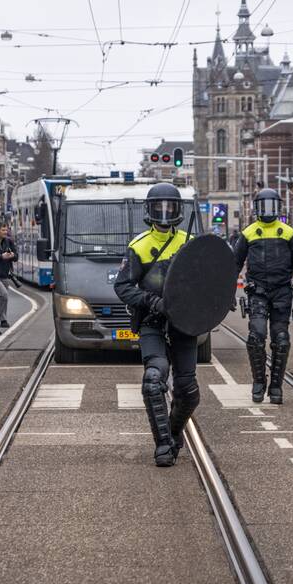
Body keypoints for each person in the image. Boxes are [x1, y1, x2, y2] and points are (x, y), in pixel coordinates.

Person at [114, 182, 199, 466]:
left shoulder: (190, 242)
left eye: (169, 207)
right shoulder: (138, 246)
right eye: (158, 207)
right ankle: (162, 445)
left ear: (178, 210)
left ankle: (173, 433)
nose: (164, 212)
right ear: (149, 210)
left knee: (188, 391)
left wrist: (216, 299)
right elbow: (123, 287)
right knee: (153, 379)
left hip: (184, 324)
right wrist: (152, 301)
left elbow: (205, 279)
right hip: (152, 321)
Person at [234, 188, 293, 404]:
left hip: (282, 291)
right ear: (256, 208)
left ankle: (276, 386)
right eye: (263, 206)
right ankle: (258, 382)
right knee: (255, 337)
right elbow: (234, 264)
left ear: (278, 207)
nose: (267, 210)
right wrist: (226, 292)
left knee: (281, 340)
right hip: (257, 291)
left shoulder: (288, 233)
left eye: (271, 205)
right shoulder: (248, 233)